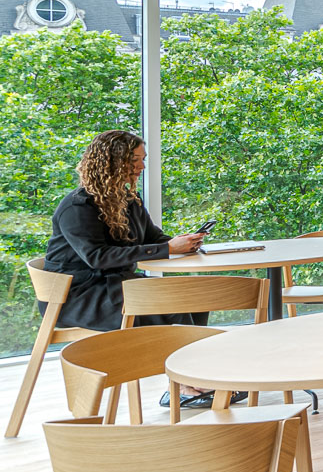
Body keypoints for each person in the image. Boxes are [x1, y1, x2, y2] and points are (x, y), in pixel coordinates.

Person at [43, 130, 208, 332]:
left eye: (142, 159)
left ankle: (187, 356)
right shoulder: (77, 207)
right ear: (111, 162)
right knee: (173, 308)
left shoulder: (128, 199)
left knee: (197, 298)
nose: (142, 166)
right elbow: (98, 257)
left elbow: (153, 238)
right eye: (134, 160)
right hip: (78, 296)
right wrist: (168, 248)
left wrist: (184, 243)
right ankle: (172, 359)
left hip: (118, 285)